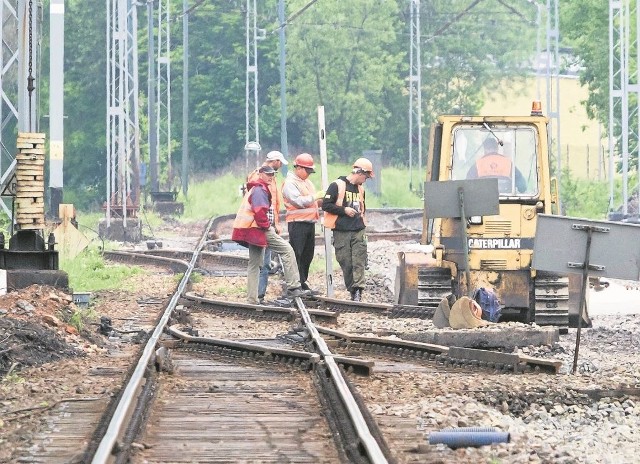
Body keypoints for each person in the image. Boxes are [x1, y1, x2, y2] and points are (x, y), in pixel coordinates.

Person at [232, 165, 310, 304]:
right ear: (260, 175)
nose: (271, 177)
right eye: (268, 174)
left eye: (272, 174)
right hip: (259, 229)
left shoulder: (255, 189)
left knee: (254, 264)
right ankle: (293, 287)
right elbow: (260, 211)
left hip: (251, 230)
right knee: (287, 250)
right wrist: (268, 227)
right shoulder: (260, 190)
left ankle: (252, 299)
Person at [322, 157, 373, 302]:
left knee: (359, 260)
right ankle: (352, 288)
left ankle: (358, 291)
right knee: (345, 261)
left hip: (358, 229)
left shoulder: (361, 189)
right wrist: (344, 210)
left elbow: (363, 208)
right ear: (359, 172)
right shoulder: (337, 185)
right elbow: (326, 205)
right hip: (341, 230)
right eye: (366, 177)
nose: (365, 180)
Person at [246, 150, 288, 303]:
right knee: (261, 263)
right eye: (280, 162)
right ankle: (257, 296)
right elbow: (258, 204)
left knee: (263, 262)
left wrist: (275, 224)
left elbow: (273, 204)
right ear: (275, 161)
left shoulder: (270, 176)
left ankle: (258, 296)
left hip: (267, 223)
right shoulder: (259, 175)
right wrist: (267, 225)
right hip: (259, 225)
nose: (281, 165)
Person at [282, 153, 325, 293]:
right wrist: (315, 196)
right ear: (298, 168)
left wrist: (323, 199)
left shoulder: (306, 182)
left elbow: (312, 201)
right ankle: (294, 284)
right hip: (297, 223)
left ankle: (302, 281)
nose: (309, 174)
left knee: (307, 254)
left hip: (309, 223)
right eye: (307, 171)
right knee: (297, 254)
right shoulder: (290, 183)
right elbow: (298, 201)